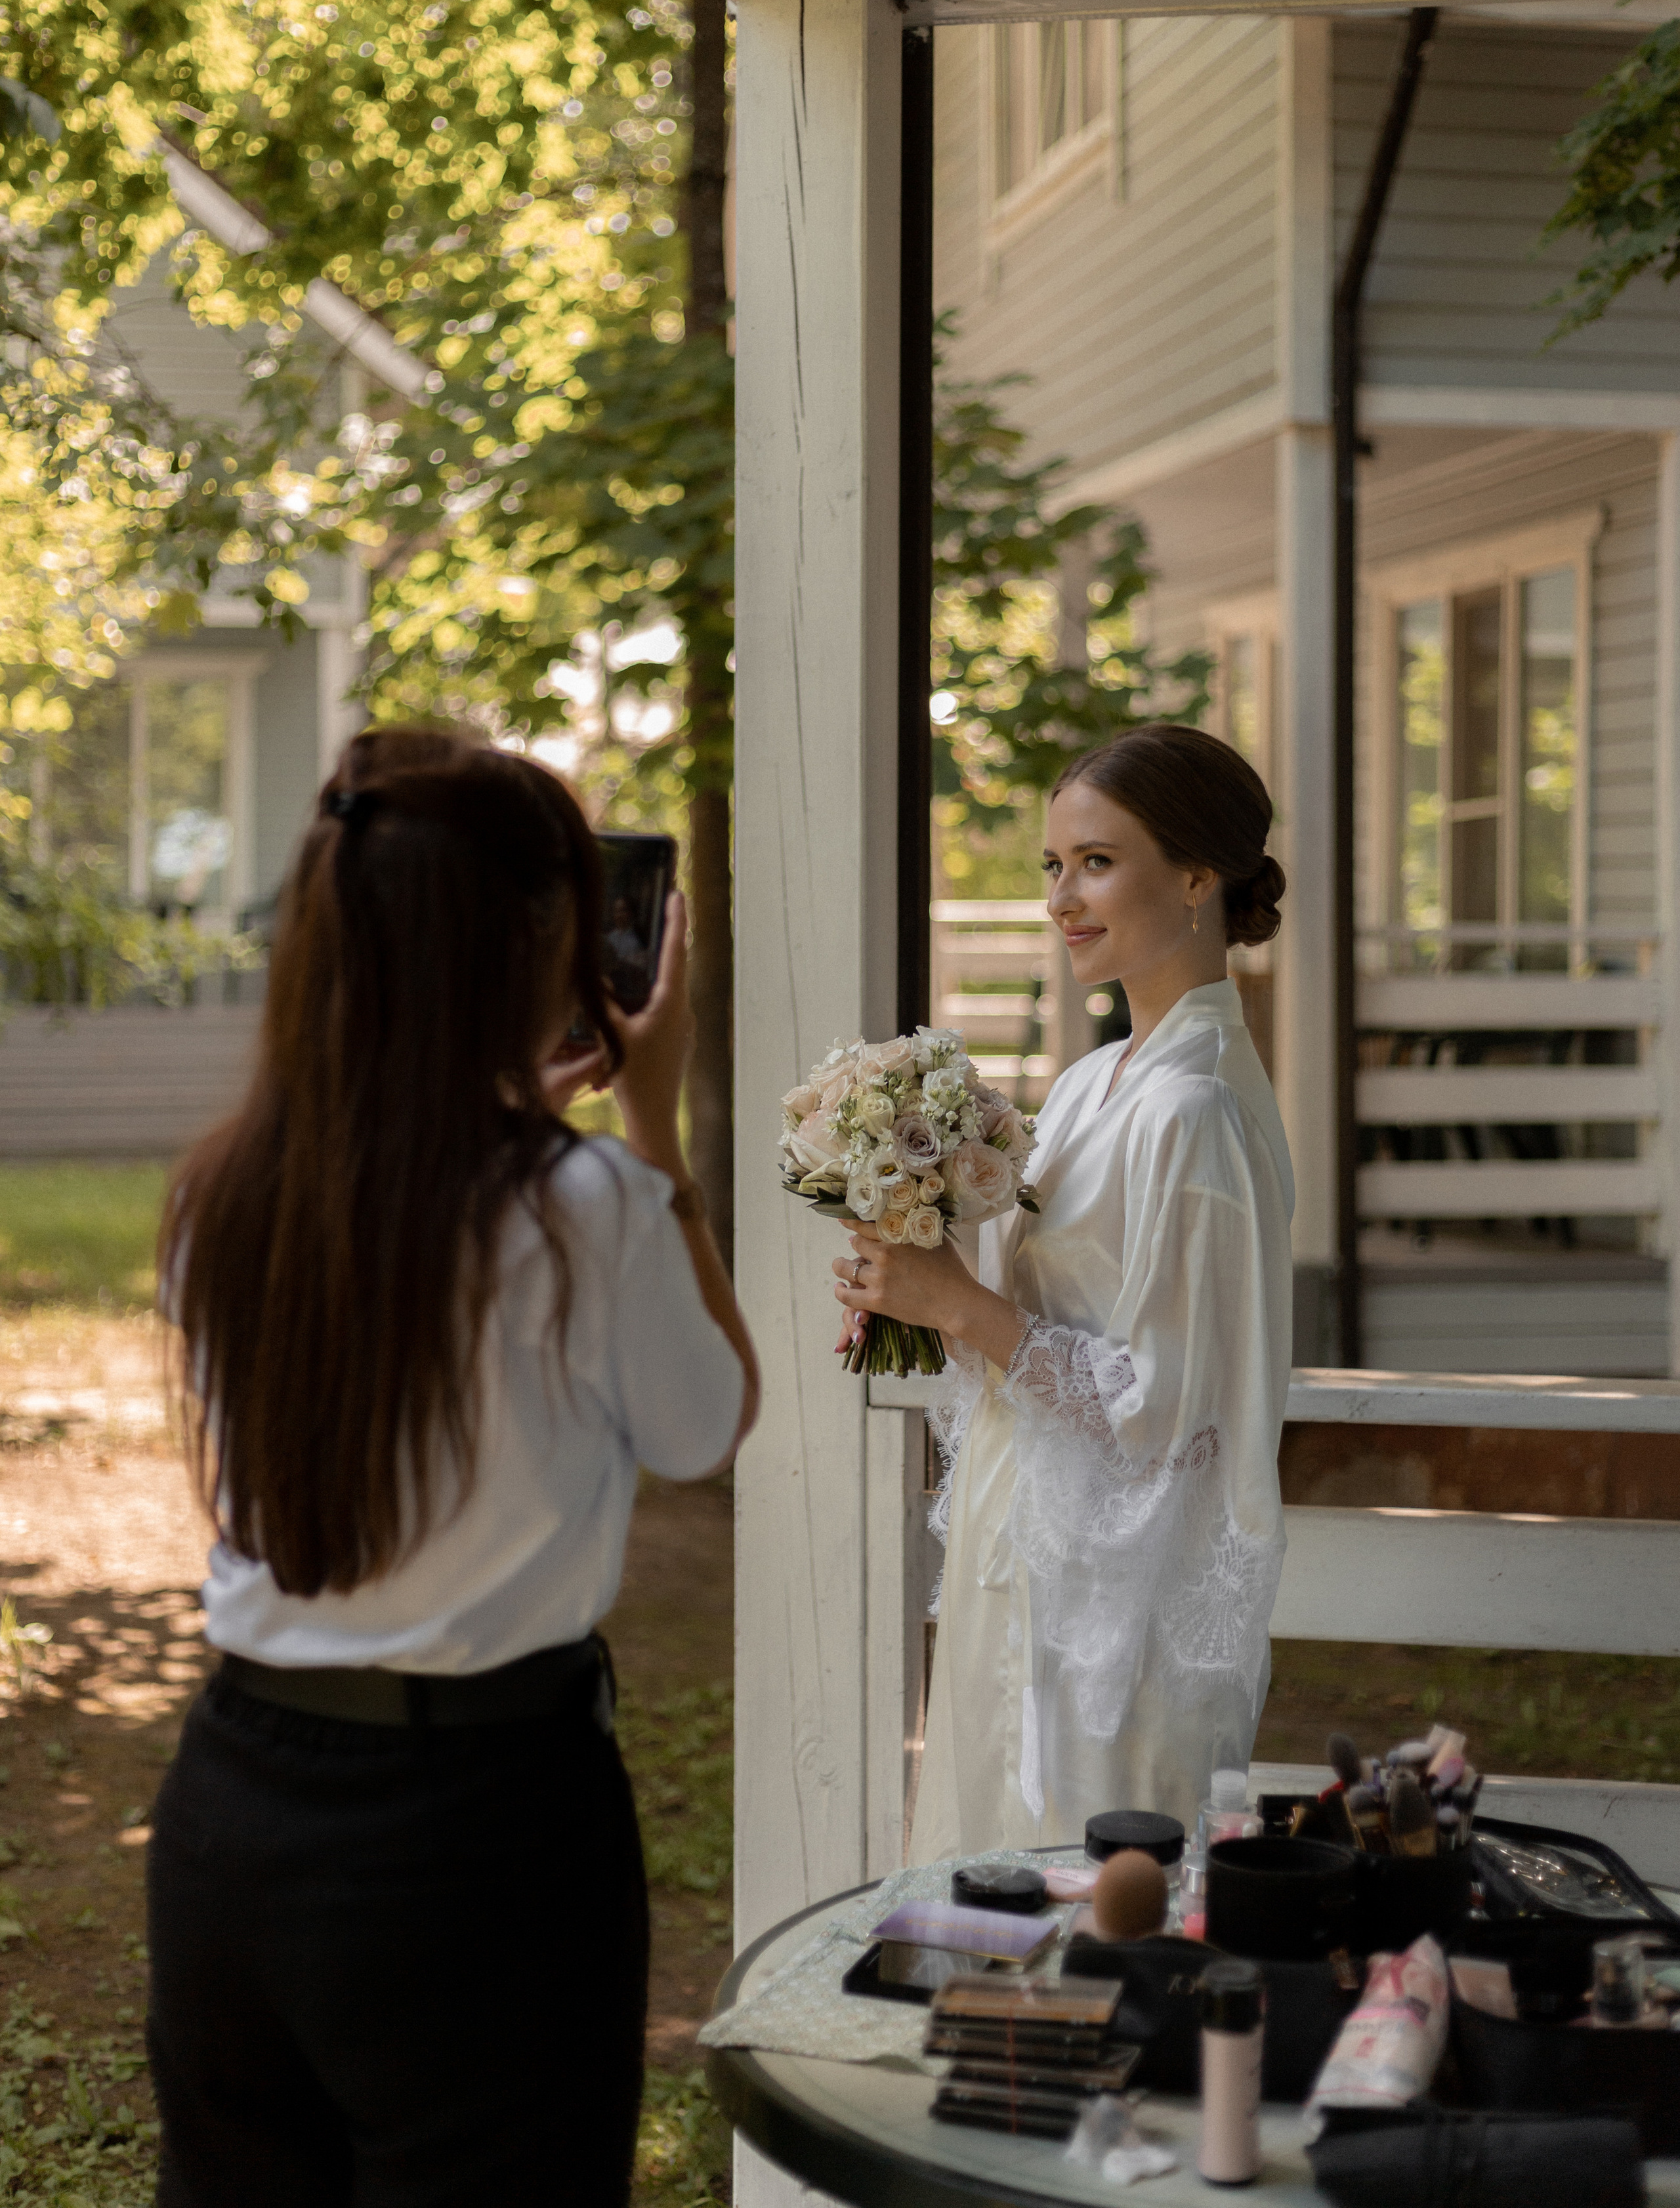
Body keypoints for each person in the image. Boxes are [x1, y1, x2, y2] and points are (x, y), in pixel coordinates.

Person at [148, 726, 758, 2207]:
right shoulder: (587, 1205)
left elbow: (415, 1225)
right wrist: (651, 1127)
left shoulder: (223, 1194)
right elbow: (708, 1424)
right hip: (478, 1832)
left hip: (234, 1810)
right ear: (526, 942)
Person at [833, 724, 1293, 1857]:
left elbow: (1161, 1409)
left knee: (1094, 1931)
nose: (1061, 898)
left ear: (1197, 879)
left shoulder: (1195, 1113)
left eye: (1096, 862)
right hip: (1030, 1565)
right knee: (992, 1907)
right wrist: (912, 1276)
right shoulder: (1095, 1082)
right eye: (1052, 867)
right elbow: (1030, 1331)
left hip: (1118, 1624)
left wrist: (953, 1302)